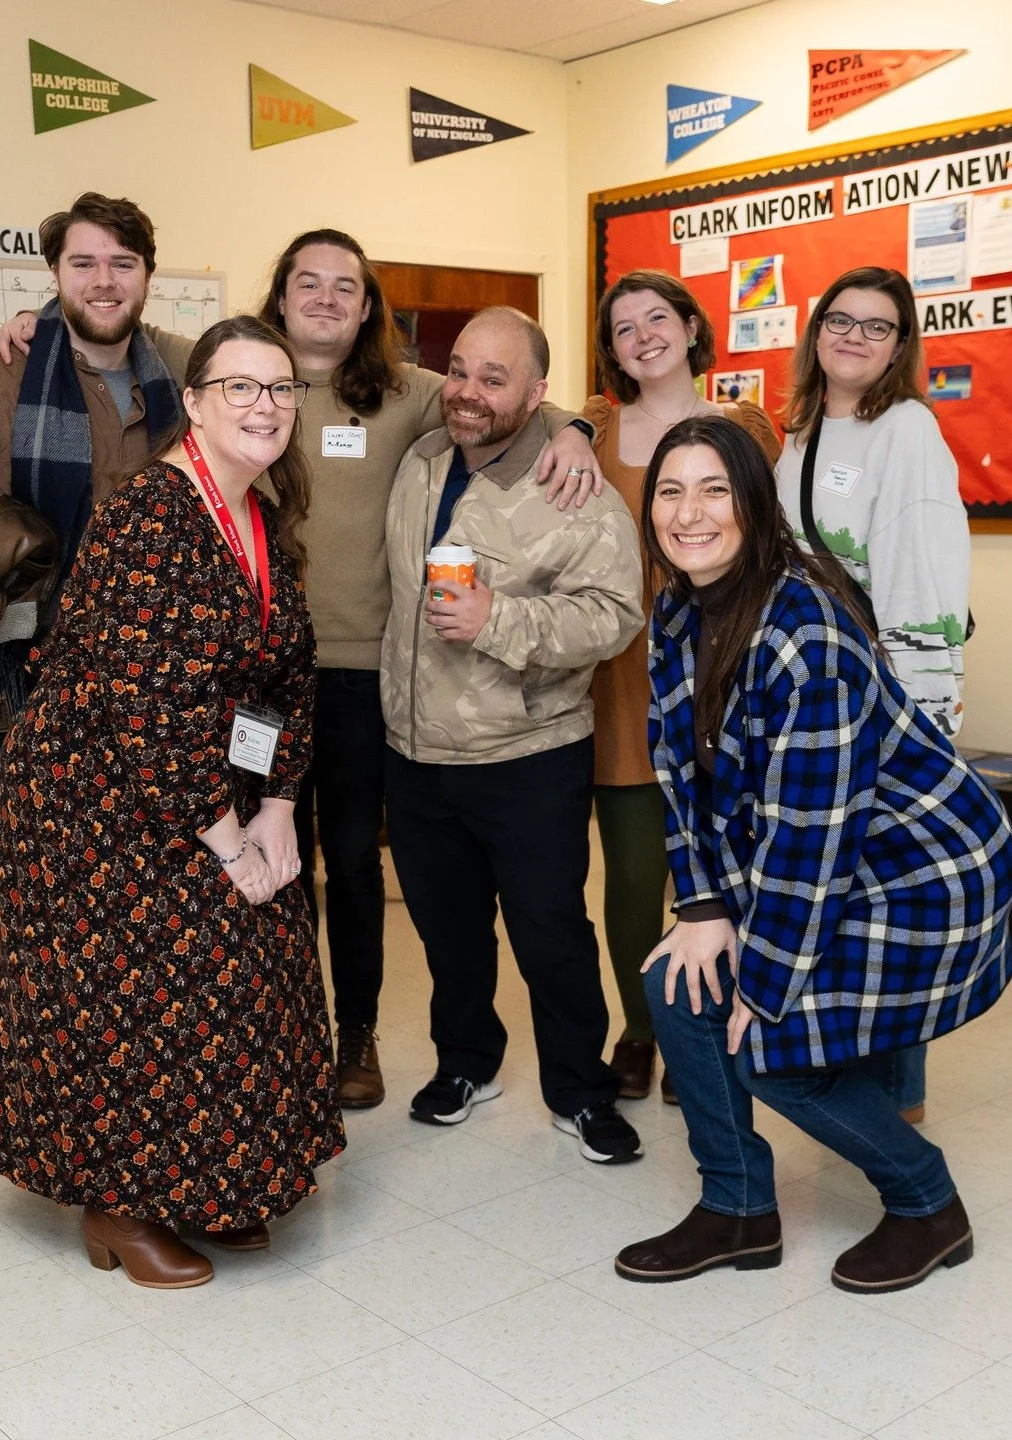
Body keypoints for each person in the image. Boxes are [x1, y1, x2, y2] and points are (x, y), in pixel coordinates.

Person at [0, 228, 603, 1109]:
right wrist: (37, 320)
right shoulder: (203, 430)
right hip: (210, 703)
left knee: (346, 863)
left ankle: (349, 1039)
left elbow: (495, 397)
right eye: (305, 283)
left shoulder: (408, 394)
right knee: (238, 878)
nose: (323, 299)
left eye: (344, 287)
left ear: (366, 308)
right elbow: (106, 319)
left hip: (344, 676)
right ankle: (232, 1076)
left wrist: (574, 428)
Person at [0, 315, 345, 1288]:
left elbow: (283, 672)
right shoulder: (154, 511)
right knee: (151, 987)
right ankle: (118, 1204)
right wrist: (229, 844)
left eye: (279, 389)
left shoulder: (260, 513)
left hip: (196, 779)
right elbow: (148, 703)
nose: (264, 406)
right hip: (94, 799)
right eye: (240, 387)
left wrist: (277, 807)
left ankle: (209, 1184)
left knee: (258, 962)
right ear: (194, 401)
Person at [617, 415, 1012, 1293]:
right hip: (825, 861)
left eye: (715, 490)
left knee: (774, 1046)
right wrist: (701, 911)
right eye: (671, 492)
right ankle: (737, 1211)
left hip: (919, 871)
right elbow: (678, 772)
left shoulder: (807, 633)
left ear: (755, 504)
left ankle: (928, 1205)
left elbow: (815, 835)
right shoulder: (678, 607)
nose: (690, 513)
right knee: (674, 986)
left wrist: (761, 991)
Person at [0, 192, 187, 1036]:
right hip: (20, 686)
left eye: (122, 263)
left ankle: (124, 1068)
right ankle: (17, 1078)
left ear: (147, 276)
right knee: (17, 886)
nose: (103, 280)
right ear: (55, 273)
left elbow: (271, 380)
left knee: (141, 888)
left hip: (152, 688)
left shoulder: (184, 381)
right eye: (83, 262)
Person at [381, 307, 646, 1163]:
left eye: (495, 379)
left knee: (550, 932)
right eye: (458, 369)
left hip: (527, 755)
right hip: (416, 752)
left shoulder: (577, 491)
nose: (467, 392)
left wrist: (499, 619)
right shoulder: (419, 461)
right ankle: (467, 1063)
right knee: (446, 930)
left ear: (537, 394)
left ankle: (581, 1089)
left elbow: (614, 617)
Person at [777, 266, 971, 1125]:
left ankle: (898, 1101)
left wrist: (927, 721)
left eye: (878, 326)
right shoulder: (805, 427)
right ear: (817, 331)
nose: (854, 337)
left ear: (901, 345)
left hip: (892, 708)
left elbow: (924, 580)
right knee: (844, 893)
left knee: (891, 891)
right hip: (821, 700)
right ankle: (853, 1073)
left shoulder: (908, 431)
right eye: (840, 320)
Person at [583, 269, 781, 1105]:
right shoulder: (589, 428)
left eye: (656, 318)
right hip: (628, 675)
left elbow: (771, 535)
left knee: (728, 867)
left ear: (693, 327)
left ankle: (705, 1030)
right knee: (633, 872)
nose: (642, 337)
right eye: (623, 328)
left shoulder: (748, 428)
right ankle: (640, 1029)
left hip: (728, 665)